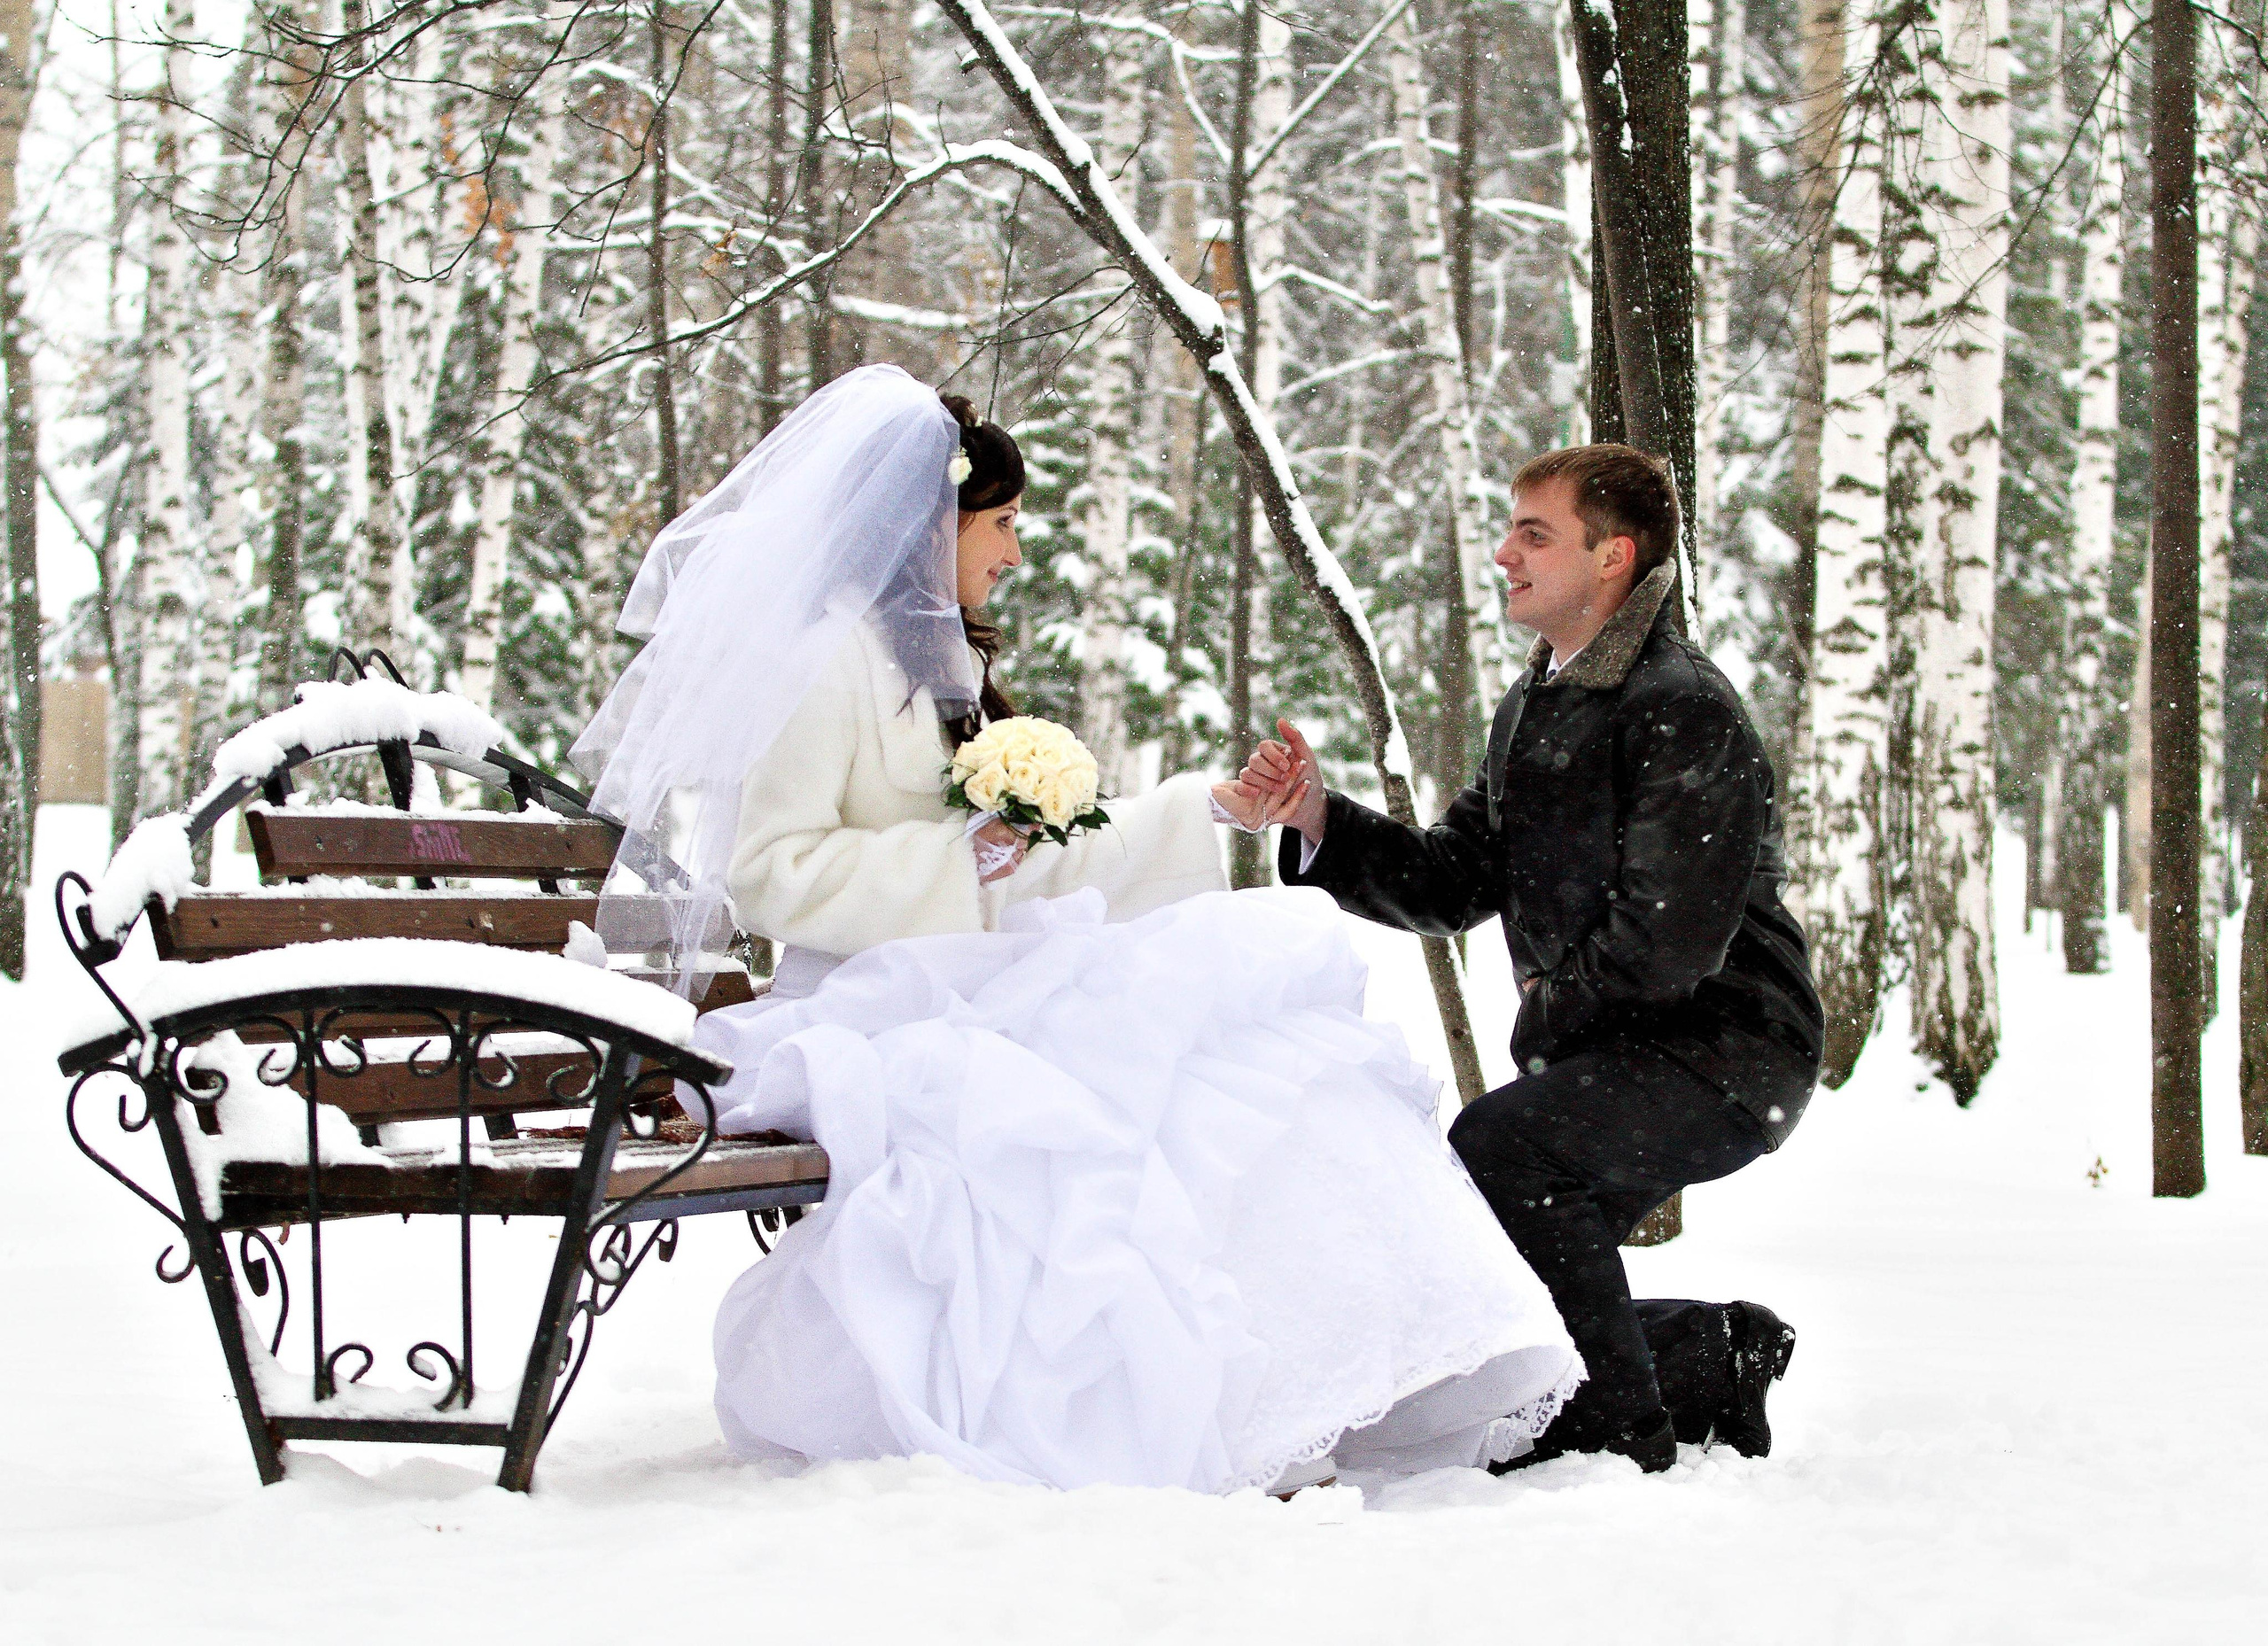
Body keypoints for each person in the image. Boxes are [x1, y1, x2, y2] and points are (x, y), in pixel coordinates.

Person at [570, 364, 1581, 1495]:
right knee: (1098, 1103)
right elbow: (769, 873)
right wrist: (956, 860)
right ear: (926, 521)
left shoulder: (931, 658)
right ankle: (1154, 1411)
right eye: (997, 522)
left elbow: (1017, 865)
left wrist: (1204, 809)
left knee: (1230, 1058)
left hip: (955, 977)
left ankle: (1307, 1383)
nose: (1010, 551)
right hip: (858, 1002)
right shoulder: (823, 660)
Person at [1236, 445, 1822, 1472]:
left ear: (1613, 558)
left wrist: (1544, 1016)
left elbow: (1668, 943)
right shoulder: (1534, 705)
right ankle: (1708, 1354)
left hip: (1730, 1048)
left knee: (1505, 1148)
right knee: (1500, 1256)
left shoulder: (1679, 704)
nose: (1504, 552)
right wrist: (1318, 817)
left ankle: (1626, 1440)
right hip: (1625, 1044)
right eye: (1511, 530)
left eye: (1533, 534)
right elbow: (1454, 880)